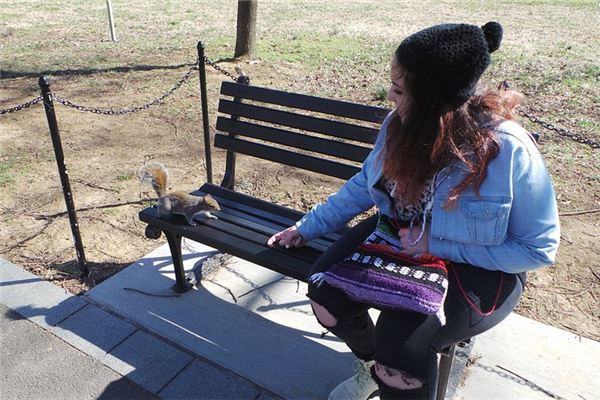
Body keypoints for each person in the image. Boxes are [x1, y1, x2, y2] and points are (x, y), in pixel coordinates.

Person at [267, 21, 560, 400]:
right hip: (401, 233)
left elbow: (537, 249)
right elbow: (364, 183)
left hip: (481, 268)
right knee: (325, 292)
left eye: (400, 89)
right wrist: (307, 227)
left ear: (434, 100)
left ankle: (391, 369)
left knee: (401, 343)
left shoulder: (507, 148)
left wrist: (436, 246)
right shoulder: (398, 124)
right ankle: (373, 368)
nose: (389, 95)